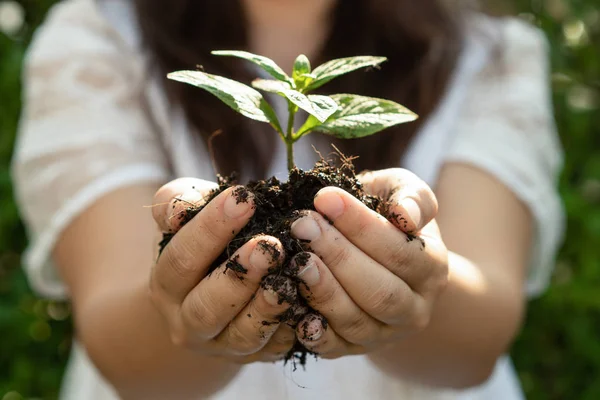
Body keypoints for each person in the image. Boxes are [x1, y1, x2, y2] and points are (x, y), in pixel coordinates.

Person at [11, 0, 564, 399]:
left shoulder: (490, 50)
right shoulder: (97, 34)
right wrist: (183, 297)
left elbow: (481, 333)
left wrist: (412, 280)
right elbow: (120, 347)